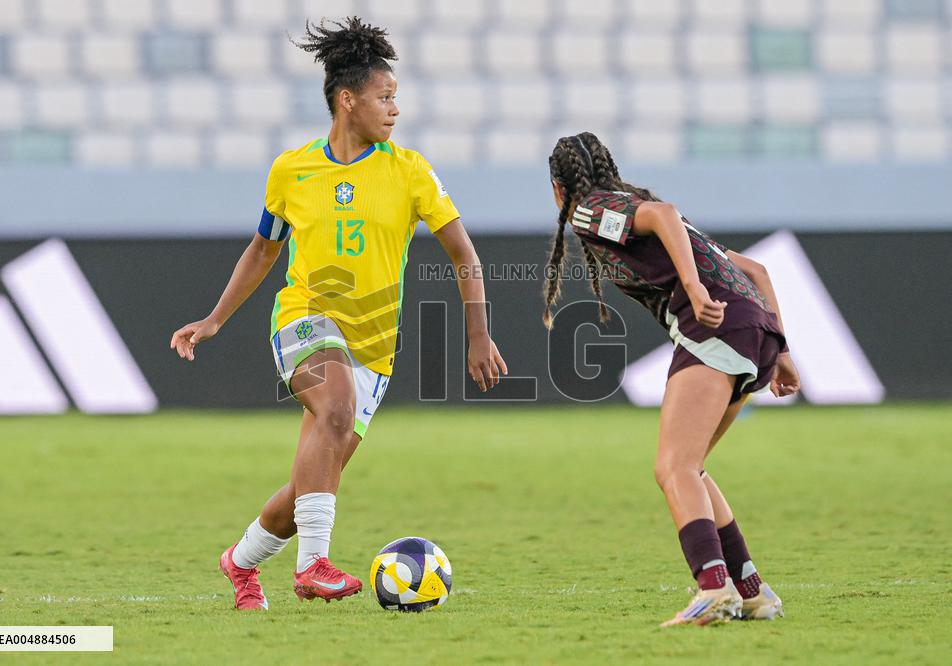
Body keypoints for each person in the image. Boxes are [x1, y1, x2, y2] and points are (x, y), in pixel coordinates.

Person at [170, 17, 507, 609]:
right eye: (385, 97)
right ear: (347, 100)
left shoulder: (409, 171)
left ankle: (240, 563)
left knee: (312, 480)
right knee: (335, 406)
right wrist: (215, 318)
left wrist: (478, 335)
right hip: (304, 316)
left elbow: (465, 254)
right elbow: (263, 249)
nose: (394, 109)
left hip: (375, 344)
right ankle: (313, 568)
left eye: (396, 98)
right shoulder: (291, 170)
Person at [542, 132, 800, 626]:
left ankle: (712, 586)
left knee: (673, 467)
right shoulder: (643, 210)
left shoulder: (589, 208)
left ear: (559, 187)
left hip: (714, 327)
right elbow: (758, 272)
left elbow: (664, 216)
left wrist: (693, 285)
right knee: (692, 466)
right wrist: (782, 349)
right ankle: (751, 591)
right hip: (756, 331)